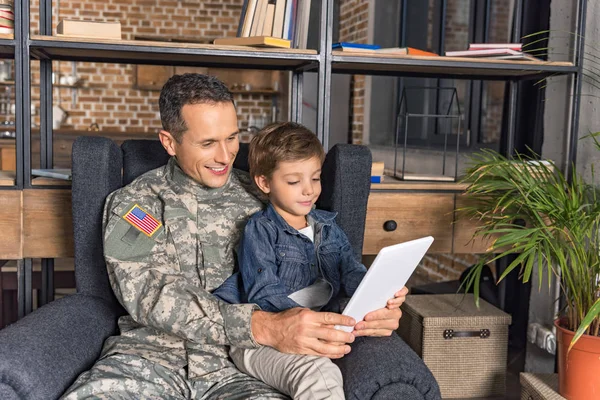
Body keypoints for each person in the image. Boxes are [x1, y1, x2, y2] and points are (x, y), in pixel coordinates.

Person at [61, 73, 407, 399]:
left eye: (232, 137)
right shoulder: (139, 206)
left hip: (238, 371)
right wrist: (261, 325)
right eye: (208, 143)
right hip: (149, 361)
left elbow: (317, 269)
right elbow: (146, 292)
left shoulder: (268, 196)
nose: (226, 156)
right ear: (169, 141)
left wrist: (369, 306)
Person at [213, 122, 405, 399]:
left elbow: (349, 269)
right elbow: (264, 294)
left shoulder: (328, 227)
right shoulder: (260, 230)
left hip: (317, 326)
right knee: (320, 376)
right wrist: (313, 324)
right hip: (260, 340)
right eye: (294, 181)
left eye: (315, 178)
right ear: (265, 183)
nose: (309, 190)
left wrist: (379, 288)